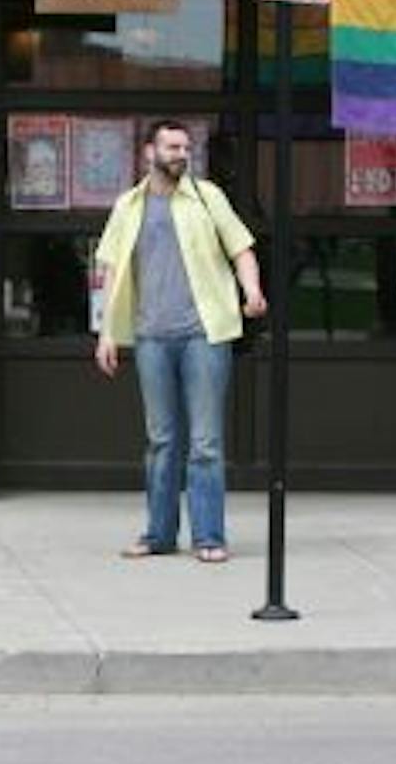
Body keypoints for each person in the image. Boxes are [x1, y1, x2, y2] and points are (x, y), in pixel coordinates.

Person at [92, 119, 268, 564]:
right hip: (151, 337)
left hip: (203, 335)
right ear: (149, 152)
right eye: (172, 147)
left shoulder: (208, 198)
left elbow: (242, 249)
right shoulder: (128, 205)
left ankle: (209, 537)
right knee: (161, 440)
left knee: (205, 443)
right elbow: (110, 270)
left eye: (186, 148)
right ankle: (159, 535)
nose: (181, 155)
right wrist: (107, 332)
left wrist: (251, 290)